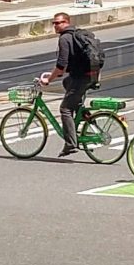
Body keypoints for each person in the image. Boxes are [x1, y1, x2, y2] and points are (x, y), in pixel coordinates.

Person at [39, 12, 92, 157]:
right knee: (66, 82)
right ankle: (83, 113)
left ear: (66, 22)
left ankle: (70, 144)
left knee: (65, 109)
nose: (55, 26)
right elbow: (66, 66)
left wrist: (48, 79)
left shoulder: (65, 38)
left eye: (58, 23)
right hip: (89, 75)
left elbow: (61, 64)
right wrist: (57, 74)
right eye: (54, 23)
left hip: (81, 77)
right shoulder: (76, 34)